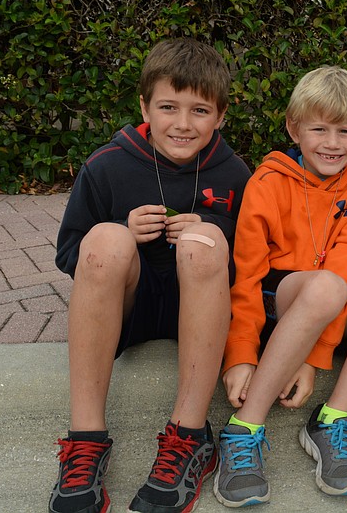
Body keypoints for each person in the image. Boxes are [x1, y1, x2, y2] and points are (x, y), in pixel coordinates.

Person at [50, 38, 252, 513]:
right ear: (144, 106)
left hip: (201, 311)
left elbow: (253, 264)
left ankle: (189, 436)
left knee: (206, 244)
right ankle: (86, 440)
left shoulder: (237, 174)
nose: (182, 124)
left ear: (221, 115)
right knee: (104, 239)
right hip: (130, 309)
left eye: (200, 111)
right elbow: (69, 255)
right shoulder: (107, 165)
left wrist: (213, 229)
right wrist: (124, 231)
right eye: (168, 107)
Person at [213, 66, 347, 507]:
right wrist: (241, 354)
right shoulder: (266, 183)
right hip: (279, 298)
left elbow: (343, 272)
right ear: (293, 127)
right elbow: (245, 276)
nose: (332, 143)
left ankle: (333, 418)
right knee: (323, 287)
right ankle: (243, 429)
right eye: (318, 129)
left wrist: (314, 356)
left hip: (334, 302)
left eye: (346, 131)